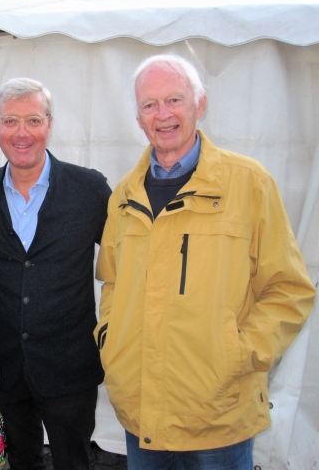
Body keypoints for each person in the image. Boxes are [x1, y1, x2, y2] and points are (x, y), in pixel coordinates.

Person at [95, 54, 316, 469]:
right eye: (149, 104)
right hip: (140, 409)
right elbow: (111, 283)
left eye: (175, 100)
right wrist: (112, 344)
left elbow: (289, 288)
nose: (163, 114)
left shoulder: (248, 183)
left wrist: (239, 353)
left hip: (218, 412)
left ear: (201, 104)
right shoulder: (124, 194)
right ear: (138, 117)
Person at [0, 77, 112, 470]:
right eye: (11, 121)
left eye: (33, 120)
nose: (22, 133)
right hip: (7, 367)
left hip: (69, 366)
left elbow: (127, 261)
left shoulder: (89, 189)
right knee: (22, 461)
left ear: (49, 123)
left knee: (74, 461)